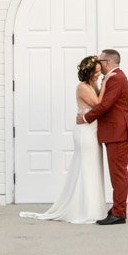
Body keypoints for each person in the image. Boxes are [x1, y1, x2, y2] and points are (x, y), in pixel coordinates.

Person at [19, 54, 107, 223]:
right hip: (85, 133)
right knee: (86, 168)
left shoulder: (92, 84)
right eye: (96, 72)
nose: (99, 74)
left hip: (93, 131)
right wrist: (105, 84)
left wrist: (100, 84)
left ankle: (93, 207)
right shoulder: (82, 87)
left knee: (93, 169)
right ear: (88, 72)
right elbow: (98, 104)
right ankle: (84, 210)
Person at [78, 48, 128, 225]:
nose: (98, 64)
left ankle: (119, 213)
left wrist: (85, 118)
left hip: (118, 133)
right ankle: (118, 208)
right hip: (114, 132)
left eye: (100, 61)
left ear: (107, 62)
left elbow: (105, 106)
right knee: (117, 174)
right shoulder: (112, 77)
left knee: (118, 175)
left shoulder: (116, 78)